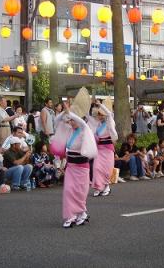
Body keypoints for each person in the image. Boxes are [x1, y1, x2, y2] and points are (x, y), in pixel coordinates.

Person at [51, 94, 98, 228]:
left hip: (82, 167)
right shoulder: (69, 130)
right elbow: (56, 121)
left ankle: (81, 213)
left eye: (73, 120)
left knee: (80, 192)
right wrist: (65, 112)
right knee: (68, 191)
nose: (71, 122)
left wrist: (71, 112)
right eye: (70, 120)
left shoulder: (85, 129)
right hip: (71, 167)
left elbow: (82, 122)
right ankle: (71, 216)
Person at [87, 99, 118, 197]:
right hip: (99, 150)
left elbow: (109, 114)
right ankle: (98, 187)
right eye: (98, 114)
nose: (99, 116)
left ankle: (106, 186)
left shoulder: (109, 123)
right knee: (96, 168)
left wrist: (101, 105)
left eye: (101, 114)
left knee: (106, 170)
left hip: (108, 150)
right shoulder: (97, 124)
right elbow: (88, 118)